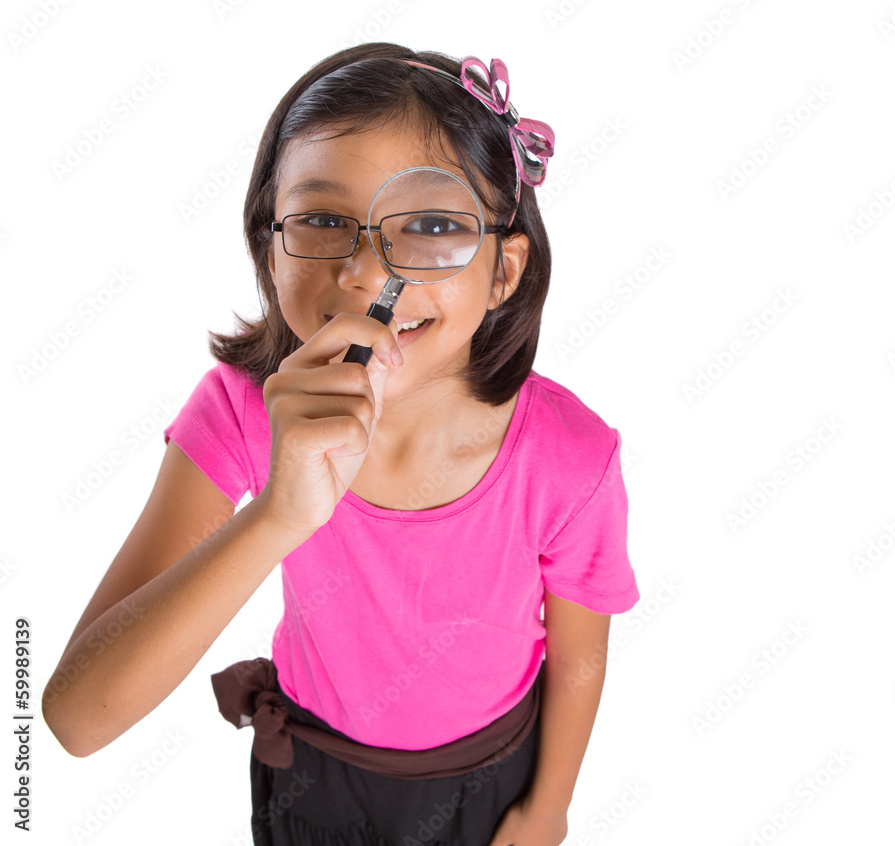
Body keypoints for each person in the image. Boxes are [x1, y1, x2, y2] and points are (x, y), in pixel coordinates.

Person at [42, 42, 641, 846]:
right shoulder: (241, 411)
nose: (366, 276)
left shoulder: (572, 457)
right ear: (269, 248)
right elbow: (76, 719)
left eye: (432, 225)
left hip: (491, 782)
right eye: (324, 221)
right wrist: (280, 514)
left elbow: (577, 657)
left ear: (503, 270)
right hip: (310, 779)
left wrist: (547, 812)